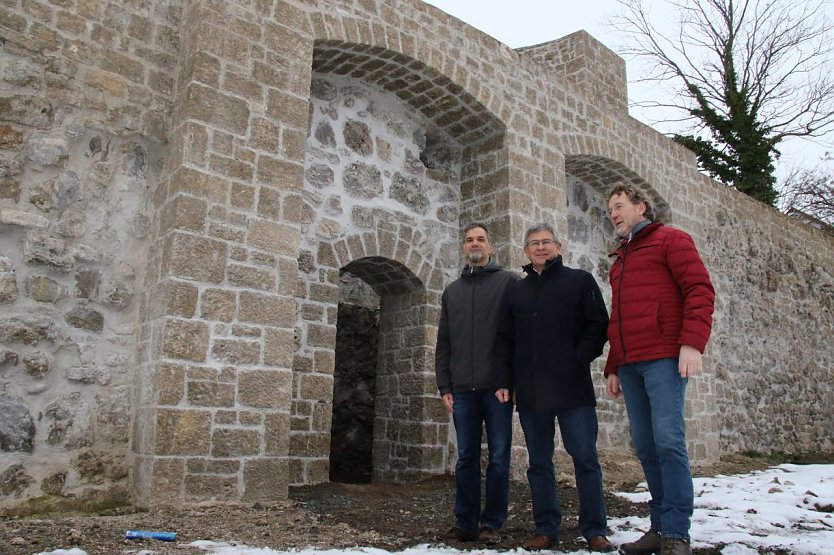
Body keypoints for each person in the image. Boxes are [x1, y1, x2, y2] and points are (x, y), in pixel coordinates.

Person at [604, 184, 715, 555]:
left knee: (668, 442)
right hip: (631, 364)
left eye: (619, 206)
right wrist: (613, 365)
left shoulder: (670, 239)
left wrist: (691, 343)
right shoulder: (619, 260)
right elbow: (618, 318)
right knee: (647, 447)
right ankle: (660, 526)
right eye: (610, 211)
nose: (614, 214)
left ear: (641, 207)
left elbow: (699, 289)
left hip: (665, 358)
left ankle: (677, 532)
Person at [495, 222, 614, 553]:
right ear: (526, 251)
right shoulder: (516, 291)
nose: (541, 247)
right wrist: (505, 381)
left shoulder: (579, 281)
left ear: (558, 247)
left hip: (573, 389)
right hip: (532, 392)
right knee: (539, 463)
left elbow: (597, 326)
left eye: (546, 242)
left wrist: (576, 359)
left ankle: (594, 529)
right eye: (534, 243)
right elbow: (505, 340)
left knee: (585, 458)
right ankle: (546, 527)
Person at [434, 222, 518, 545]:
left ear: (491, 247)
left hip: (497, 388)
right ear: (463, 248)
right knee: (466, 457)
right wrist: (445, 387)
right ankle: (466, 522)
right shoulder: (451, 292)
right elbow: (443, 344)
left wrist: (510, 380)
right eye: (469, 240)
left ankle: (492, 524)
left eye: (481, 239)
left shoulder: (510, 283)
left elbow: (516, 339)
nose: (475, 244)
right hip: (462, 392)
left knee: (498, 457)